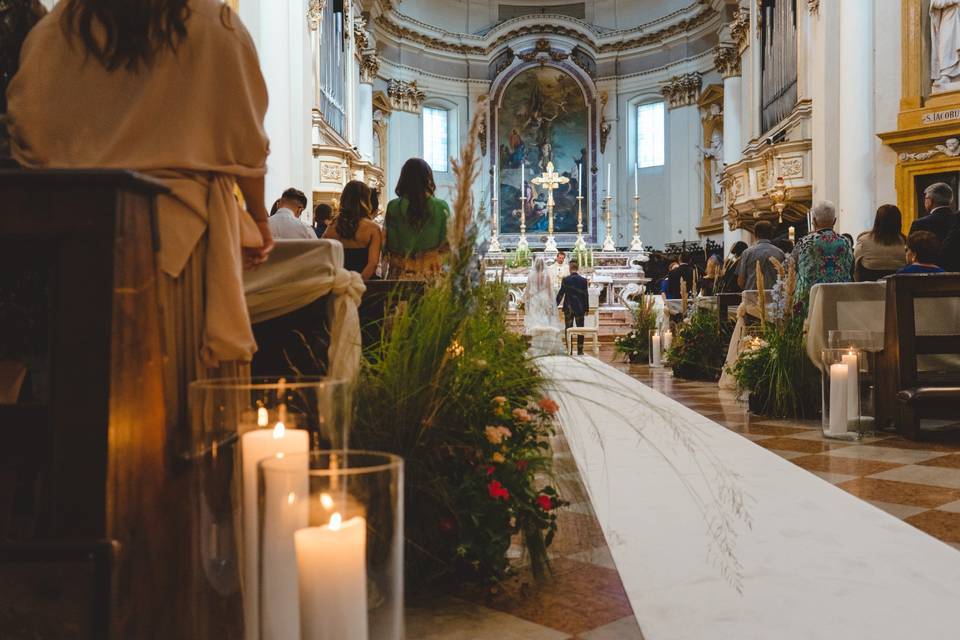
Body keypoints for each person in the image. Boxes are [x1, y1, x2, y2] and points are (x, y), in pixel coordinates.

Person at [7, 0, 273, 432]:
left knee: (81, 410)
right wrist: (260, 219)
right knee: (179, 406)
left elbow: (28, 138)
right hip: (180, 242)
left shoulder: (55, 31)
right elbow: (245, 147)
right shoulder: (215, 26)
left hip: (74, 245)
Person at [384, 158, 450, 280]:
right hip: (431, 276)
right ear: (428, 179)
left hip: (400, 277)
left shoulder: (393, 207)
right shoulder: (441, 207)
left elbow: (390, 246)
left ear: (403, 180)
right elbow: (448, 246)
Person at [792, 201, 854, 306]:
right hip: (840, 300)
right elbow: (851, 268)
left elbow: (791, 266)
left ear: (814, 221)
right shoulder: (846, 242)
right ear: (834, 221)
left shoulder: (805, 242)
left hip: (810, 301)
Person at [322, 180, 382, 280]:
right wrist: (356, 284)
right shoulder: (373, 228)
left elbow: (323, 257)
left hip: (338, 283)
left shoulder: (331, 227)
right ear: (366, 200)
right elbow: (372, 264)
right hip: (364, 285)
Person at [523, 257, 565, 355]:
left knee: (534, 322)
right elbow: (550, 292)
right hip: (544, 299)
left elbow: (528, 291)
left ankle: (534, 345)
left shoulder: (530, 276)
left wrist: (526, 302)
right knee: (544, 322)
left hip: (534, 300)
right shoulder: (547, 276)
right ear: (543, 266)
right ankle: (546, 346)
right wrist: (551, 303)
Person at [854, 204, 907, 281]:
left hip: (868, 287)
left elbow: (856, 268)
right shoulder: (905, 243)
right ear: (898, 222)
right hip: (898, 289)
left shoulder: (863, 241)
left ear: (877, 221)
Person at [738, 220, 785, 290]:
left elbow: (741, 282)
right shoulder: (780, 253)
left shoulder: (747, 253)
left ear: (755, 234)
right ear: (771, 234)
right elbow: (784, 279)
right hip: (774, 298)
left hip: (752, 298)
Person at [556, 260, 589, 355]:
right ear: (577, 269)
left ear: (570, 269)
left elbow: (561, 293)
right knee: (580, 329)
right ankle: (580, 350)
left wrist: (555, 304)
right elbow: (585, 295)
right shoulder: (583, 280)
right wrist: (586, 308)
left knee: (568, 328)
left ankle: (569, 349)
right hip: (580, 308)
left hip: (569, 308)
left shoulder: (566, 279)